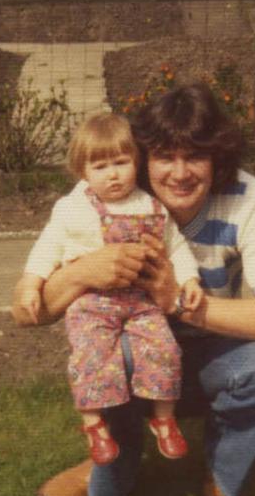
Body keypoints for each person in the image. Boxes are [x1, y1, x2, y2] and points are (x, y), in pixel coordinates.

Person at [14, 83, 255, 496]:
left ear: (218, 159)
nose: (179, 173)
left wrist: (177, 300)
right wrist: (80, 273)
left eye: (195, 156)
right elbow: (27, 313)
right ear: (141, 159)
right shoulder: (105, 195)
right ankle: (113, 463)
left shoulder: (248, 198)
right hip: (131, 349)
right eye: (164, 157)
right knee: (110, 351)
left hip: (211, 354)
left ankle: (223, 469)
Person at [15, 113, 205, 466]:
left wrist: (189, 279)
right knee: (92, 355)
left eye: (121, 162)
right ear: (82, 171)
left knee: (164, 348)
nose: (113, 174)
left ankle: (163, 419)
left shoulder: (150, 206)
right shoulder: (73, 208)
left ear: (136, 161)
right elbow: (47, 247)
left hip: (141, 301)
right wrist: (31, 282)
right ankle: (94, 425)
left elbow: (176, 247)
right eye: (100, 166)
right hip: (92, 302)